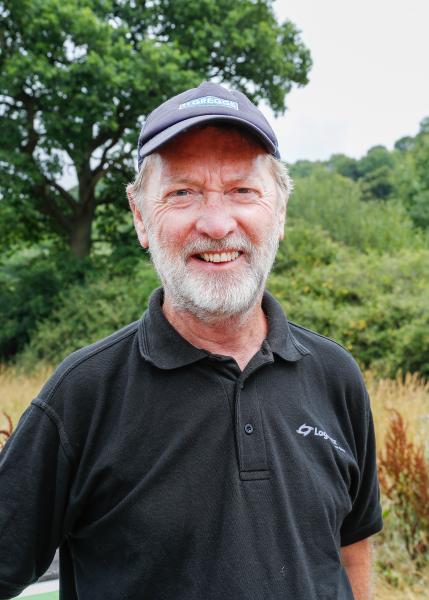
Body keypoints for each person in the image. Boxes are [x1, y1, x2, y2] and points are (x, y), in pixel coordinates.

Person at [0, 81, 382, 600]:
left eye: (243, 191)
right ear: (140, 215)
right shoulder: (82, 396)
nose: (218, 223)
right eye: (183, 192)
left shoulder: (336, 377)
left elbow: (349, 547)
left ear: (281, 212)